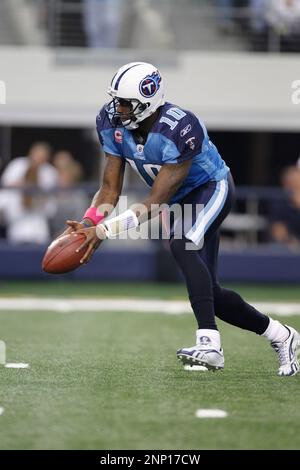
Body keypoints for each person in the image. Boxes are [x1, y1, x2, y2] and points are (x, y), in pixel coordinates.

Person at [62, 62, 300, 377]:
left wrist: (105, 230)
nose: (116, 108)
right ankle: (281, 335)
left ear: (146, 101)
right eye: (116, 100)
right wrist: (90, 222)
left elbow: (154, 202)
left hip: (211, 187)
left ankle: (209, 344)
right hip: (181, 200)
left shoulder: (179, 127)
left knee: (182, 244)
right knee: (211, 294)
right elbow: (109, 189)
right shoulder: (110, 122)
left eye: (124, 103)